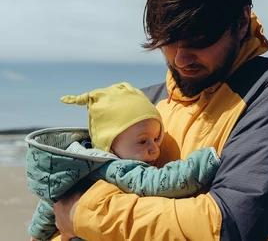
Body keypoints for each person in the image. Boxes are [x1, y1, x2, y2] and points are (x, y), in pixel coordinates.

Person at [53, 0, 268, 240]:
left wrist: (86, 214)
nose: (181, 59)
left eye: (199, 39)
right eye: (168, 40)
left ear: (240, 22)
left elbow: (228, 225)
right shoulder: (144, 105)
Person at [25, 82, 220, 241]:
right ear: (110, 146)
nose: (155, 149)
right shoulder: (118, 169)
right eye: (143, 141)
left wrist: (37, 234)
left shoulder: (78, 165)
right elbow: (163, 182)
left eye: (156, 138)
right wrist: (204, 162)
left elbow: (49, 203)